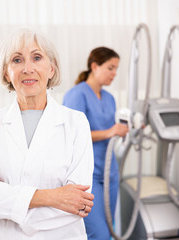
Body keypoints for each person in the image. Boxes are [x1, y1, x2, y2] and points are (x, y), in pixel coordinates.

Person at [0, 28, 95, 240]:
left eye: (37, 58)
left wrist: (4, 196)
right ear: (7, 72)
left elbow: (77, 204)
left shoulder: (76, 123)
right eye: (17, 60)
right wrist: (53, 196)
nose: (27, 68)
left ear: (51, 68)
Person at [63, 47, 129, 240]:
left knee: (109, 228)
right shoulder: (77, 95)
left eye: (116, 68)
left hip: (109, 172)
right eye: (110, 68)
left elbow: (112, 133)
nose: (114, 73)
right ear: (94, 66)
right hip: (88, 176)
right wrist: (110, 131)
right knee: (98, 233)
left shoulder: (109, 98)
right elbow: (72, 135)